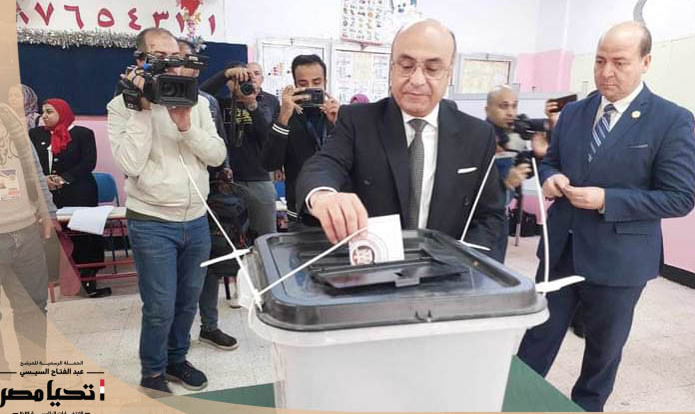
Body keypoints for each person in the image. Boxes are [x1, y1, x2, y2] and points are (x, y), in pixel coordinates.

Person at [517, 21, 695, 411]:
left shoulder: (670, 120)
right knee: (535, 339)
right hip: (561, 251)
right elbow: (551, 161)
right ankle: (513, 410)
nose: (606, 72)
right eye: (600, 61)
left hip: (619, 262)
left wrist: (607, 200)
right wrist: (549, 178)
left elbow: (680, 198)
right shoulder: (574, 113)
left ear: (646, 62)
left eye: (619, 62)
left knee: (601, 354)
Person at [296, 19, 504, 249]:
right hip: (373, 262)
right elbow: (325, 163)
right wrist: (324, 196)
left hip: (445, 265)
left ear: (449, 73)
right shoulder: (357, 121)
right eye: (406, 66)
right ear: (391, 68)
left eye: (432, 69)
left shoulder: (477, 135)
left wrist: (465, 261)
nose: (417, 80)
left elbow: (489, 215)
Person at [107, 27, 226, 393]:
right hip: (152, 221)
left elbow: (217, 155)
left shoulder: (198, 103)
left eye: (174, 57)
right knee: (160, 305)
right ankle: (153, 372)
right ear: (140, 61)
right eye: (158, 57)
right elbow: (131, 164)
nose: (169, 65)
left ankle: (176, 360)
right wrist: (143, 111)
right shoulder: (120, 107)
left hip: (196, 219)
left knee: (188, 301)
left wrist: (186, 126)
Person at [0, 74, 53, 384]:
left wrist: (45, 210)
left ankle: (35, 372)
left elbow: (33, 167)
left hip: (25, 228)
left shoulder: (6, 114)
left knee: (33, 307)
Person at [177, 39, 239, 351]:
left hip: (208, 193)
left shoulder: (207, 102)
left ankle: (209, 326)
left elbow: (219, 146)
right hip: (166, 199)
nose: (184, 66)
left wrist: (225, 174)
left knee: (209, 265)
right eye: (177, 59)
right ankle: (176, 337)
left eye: (190, 60)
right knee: (175, 275)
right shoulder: (148, 100)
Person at [29, 98, 110, 298]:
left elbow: (88, 162)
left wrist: (63, 179)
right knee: (54, 236)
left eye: (49, 111)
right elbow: (30, 162)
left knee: (84, 235)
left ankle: (88, 280)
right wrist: (44, 180)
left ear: (62, 112)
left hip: (79, 192)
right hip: (48, 193)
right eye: (43, 112)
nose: (44, 116)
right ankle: (59, 279)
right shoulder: (35, 134)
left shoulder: (82, 133)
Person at [200, 61, 279, 237]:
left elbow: (268, 139)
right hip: (226, 181)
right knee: (230, 239)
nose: (247, 80)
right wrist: (225, 74)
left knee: (266, 237)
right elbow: (199, 95)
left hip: (258, 178)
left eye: (254, 75)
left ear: (261, 79)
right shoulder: (218, 103)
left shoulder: (269, 102)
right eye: (238, 78)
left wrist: (252, 106)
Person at [262, 54, 340, 228]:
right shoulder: (285, 117)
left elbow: (356, 163)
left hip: (337, 213)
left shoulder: (339, 116)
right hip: (300, 214)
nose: (310, 88)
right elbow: (269, 163)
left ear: (325, 82)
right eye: (303, 84)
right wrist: (284, 115)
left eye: (316, 82)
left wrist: (338, 124)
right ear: (295, 85)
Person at [485, 85, 547, 262]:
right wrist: (505, 184)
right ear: (487, 109)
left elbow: (525, 172)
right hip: (477, 221)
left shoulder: (515, 137)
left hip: (500, 219)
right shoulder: (478, 138)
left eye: (514, 106)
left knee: (496, 269)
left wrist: (538, 155)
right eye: (504, 106)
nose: (511, 112)